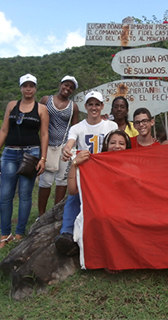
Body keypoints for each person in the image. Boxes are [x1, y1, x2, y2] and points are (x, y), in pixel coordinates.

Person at [0, 73, 49, 252]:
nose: (28, 89)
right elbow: (3, 130)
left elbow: (44, 134)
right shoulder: (11, 106)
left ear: (35, 88)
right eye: (25, 86)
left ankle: (19, 233)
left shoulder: (41, 109)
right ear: (21, 88)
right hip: (10, 153)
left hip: (31, 153)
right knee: (6, 195)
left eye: (31, 86)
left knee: (25, 195)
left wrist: (43, 158)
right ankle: (4, 234)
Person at [54, 91, 118, 255]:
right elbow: (70, 143)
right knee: (74, 197)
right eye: (91, 104)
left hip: (106, 173)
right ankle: (67, 233)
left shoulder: (111, 126)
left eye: (97, 104)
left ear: (102, 106)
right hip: (85, 174)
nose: (94, 107)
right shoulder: (78, 127)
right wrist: (67, 150)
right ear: (86, 107)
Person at [56, 129, 131, 257]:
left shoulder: (131, 166)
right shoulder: (96, 164)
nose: (117, 146)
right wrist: (74, 164)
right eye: (113, 142)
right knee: (101, 216)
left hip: (123, 207)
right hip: (102, 207)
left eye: (121, 143)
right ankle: (68, 233)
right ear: (106, 146)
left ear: (127, 147)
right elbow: (73, 190)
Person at [37, 75, 80, 217]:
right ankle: (41, 215)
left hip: (64, 146)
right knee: (46, 180)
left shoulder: (73, 107)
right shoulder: (45, 100)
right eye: (66, 85)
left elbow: (75, 127)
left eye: (71, 87)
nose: (67, 89)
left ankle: (56, 213)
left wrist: (72, 148)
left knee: (62, 179)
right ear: (60, 84)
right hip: (47, 145)